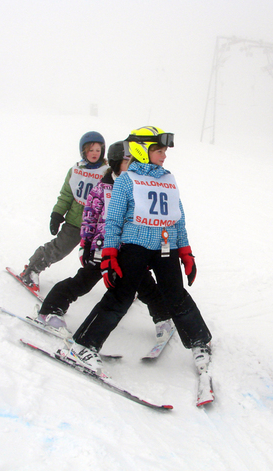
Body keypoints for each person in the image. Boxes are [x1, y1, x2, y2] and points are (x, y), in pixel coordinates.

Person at [65, 126, 212, 376]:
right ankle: (83, 345)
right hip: (134, 246)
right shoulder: (126, 180)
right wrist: (110, 252)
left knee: (176, 294)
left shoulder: (168, 179)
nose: (164, 155)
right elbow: (113, 220)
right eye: (158, 150)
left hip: (166, 246)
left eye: (164, 151)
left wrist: (185, 251)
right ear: (141, 151)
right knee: (121, 296)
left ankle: (200, 341)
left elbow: (178, 219)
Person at [35, 141, 174, 343]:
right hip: (102, 249)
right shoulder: (103, 188)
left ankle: (163, 318)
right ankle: (49, 310)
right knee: (82, 282)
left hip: (129, 251)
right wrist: (85, 245)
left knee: (146, 286)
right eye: (128, 161)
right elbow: (89, 218)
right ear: (117, 162)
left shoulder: (139, 187)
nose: (133, 165)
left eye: (135, 161)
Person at [19, 131, 108, 291]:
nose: (94, 153)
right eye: (90, 149)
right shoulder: (76, 171)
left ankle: (125, 285)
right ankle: (32, 269)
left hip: (97, 225)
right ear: (83, 151)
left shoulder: (107, 172)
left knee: (106, 255)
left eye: (98, 150)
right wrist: (57, 214)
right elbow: (67, 194)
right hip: (75, 221)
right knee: (59, 249)